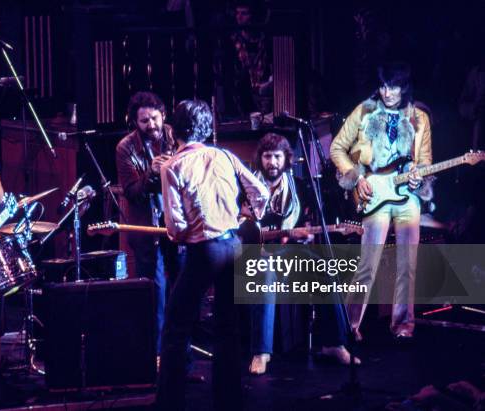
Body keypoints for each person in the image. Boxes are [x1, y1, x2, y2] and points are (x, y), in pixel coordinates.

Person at [157, 99, 269, 410]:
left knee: (176, 327)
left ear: (173, 129)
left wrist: (179, 234)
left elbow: (175, 226)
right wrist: (249, 216)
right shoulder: (224, 156)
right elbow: (261, 191)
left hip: (203, 251)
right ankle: (229, 401)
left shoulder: (171, 166)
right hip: (232, 245)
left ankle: (169, 402)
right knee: (227, 327)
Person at [330, 62, 433, 340]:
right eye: (384, 86)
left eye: (394, 86)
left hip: (407, 196)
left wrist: (418, 178)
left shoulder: (419, 118)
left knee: (407, 263)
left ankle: (403, 325)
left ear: (404, 87)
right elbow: (337, 147)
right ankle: (350, 326)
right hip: (374, 191)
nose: (387, 92)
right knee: (368, 261)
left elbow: (424, 161)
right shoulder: (364, 110)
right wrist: (356, 177)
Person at [248, 133, 360, 375]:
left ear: (286, 159)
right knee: (265, 273)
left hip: (289, 252)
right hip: (257, 253)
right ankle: (261, 352)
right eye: (267, 156)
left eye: (277, 156)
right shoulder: (248, 186)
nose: (272, 162)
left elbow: (307, 227)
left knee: (324, 268)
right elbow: (238, 223)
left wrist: (306, 235)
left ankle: (334, 344)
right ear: (261, 159)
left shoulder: (298, 187)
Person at [115, 91, 184, 352]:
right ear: (134, 121)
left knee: (181, 289)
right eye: (144, 121)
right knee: (155, 295)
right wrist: (151, 173)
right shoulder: (125, 147)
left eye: (154, 118)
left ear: (163, 115)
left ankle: (181, 355)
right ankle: (155, 356)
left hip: (177, 224)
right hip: (146, 226)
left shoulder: (177, 136)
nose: (151, 125)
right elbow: (131, 192)